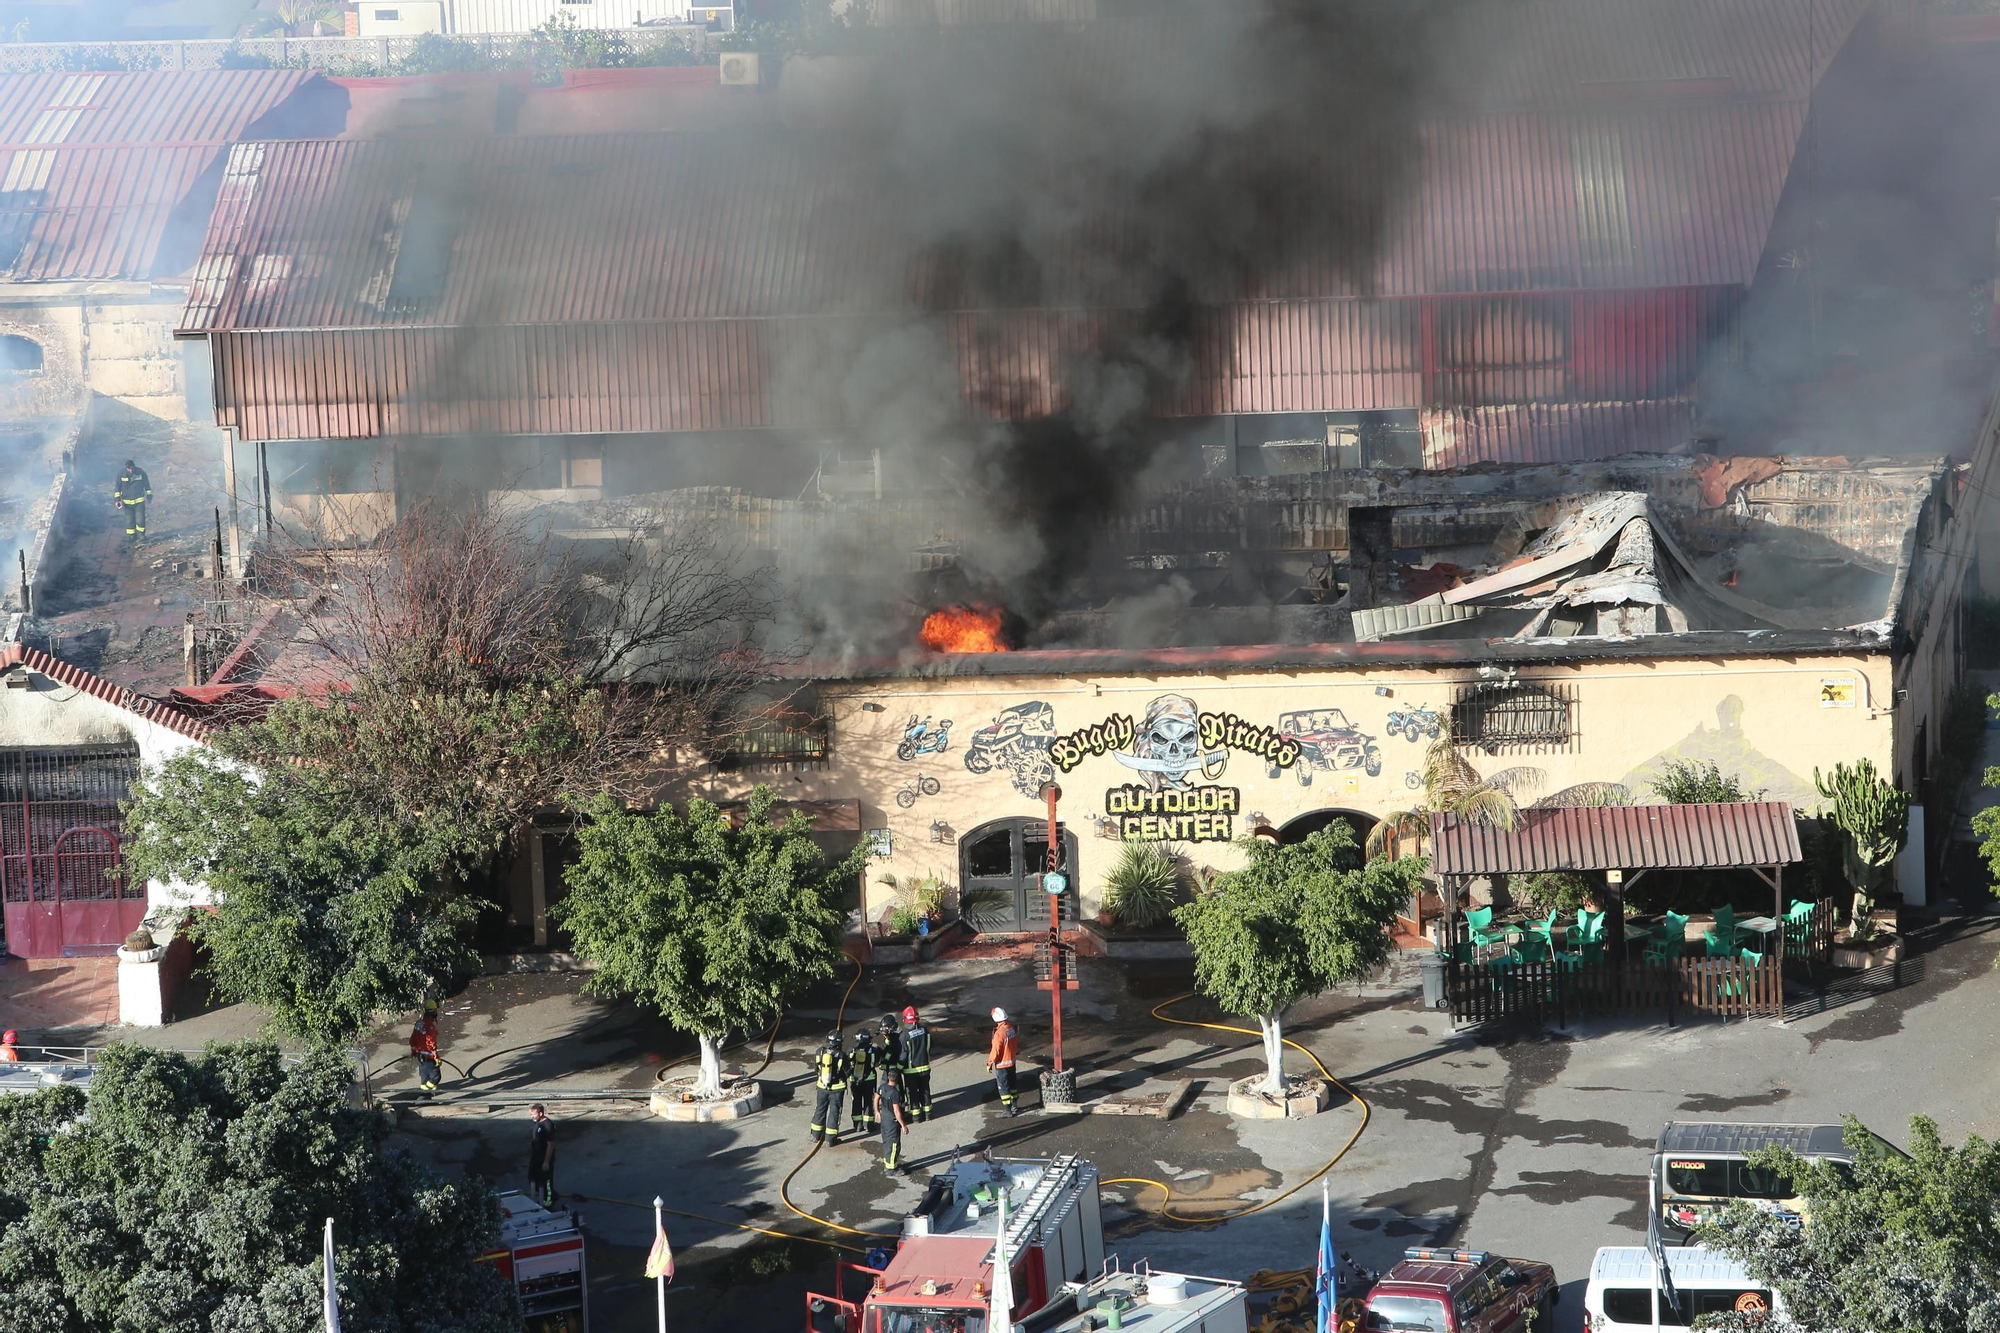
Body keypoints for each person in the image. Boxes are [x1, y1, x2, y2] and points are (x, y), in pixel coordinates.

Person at [810, 1030, 849, 1145]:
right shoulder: (841, 1055)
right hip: (837, 1089)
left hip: (822, 1087)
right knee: (834, 1112)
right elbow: (847, 1072)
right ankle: (830, 1139)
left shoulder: (819, 1052)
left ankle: (815, 1135)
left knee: (820, 1109)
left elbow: (816, 1069)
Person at [899, 1005, 933, 1124]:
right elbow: (930, 1046)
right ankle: (928, 1114)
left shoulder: (905, 1035)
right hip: (925, 1067)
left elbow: (903, 1054)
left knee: (912, 1093)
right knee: (925, 1091)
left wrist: (898, 1068)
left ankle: (915, 1116)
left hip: (911, 1071)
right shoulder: (925, 1031)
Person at [875, 1066, 909, 1174]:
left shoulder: (882, 1087)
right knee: (894, 1145)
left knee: (886, 1142)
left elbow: (876, 1099)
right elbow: (896, 1111)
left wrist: (877, 1112)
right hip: (892, 1122)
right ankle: (891, 1169)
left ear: (888, 1077)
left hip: (884, 1120)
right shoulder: (895, 1093)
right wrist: (903, 1125)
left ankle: (888, 1164)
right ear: (897, 1079)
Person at [986, 1007, 1019, 1116]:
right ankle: (1015, 1105)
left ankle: (1007, 1111)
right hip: (1012, 1063)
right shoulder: (1010, 1028)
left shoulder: (999, 1034)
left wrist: (989, 1063)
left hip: (1002, 1065)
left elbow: (995, 1051)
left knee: (1004, 1088)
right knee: (1013, 1084)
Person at [113, 459, 152, 542]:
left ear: (134, 466)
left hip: (139, 501)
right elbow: (117, 488)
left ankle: (141, 536)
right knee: (129, 520)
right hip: (127, 503)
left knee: (140, 520)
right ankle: (131, 536)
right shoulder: (121, 474)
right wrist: (117, 500)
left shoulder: (140, 472)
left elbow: (147, 485)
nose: (131, 470)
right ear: (126, 468)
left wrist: (149, 496)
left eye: (132, 468)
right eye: (129, 469)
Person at [850, 1028, 879, 1135]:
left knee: (856, 1101)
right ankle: (869, 1125)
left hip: (855, 1080)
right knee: (869, 1102)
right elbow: (878, 1061)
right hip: (869, 1080)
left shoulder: (852, 1050)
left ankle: (857, 1125)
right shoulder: (873, 1050)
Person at [528, 1103, 556, 1206]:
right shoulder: (538, 1123)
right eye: (531, 1114)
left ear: (541, 1113)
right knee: (532, 1178)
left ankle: (549, 1202)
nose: (532, 1116)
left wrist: (546, 1161)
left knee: (546, 1182)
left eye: (533, 1114)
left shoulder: (548, 1125)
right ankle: (543, 1197)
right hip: (536, 1157)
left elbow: (550, 1144)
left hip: (544, 1158)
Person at [410, 1001, 441, 1091]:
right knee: (435, 1077)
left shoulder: (419, 1023)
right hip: (429, 1057)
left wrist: (413, 1051)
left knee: (425, 1079)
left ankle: (425, 1095)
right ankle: (427, 1091)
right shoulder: (430, 1027)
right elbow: (431, 1043)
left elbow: (413, 1038)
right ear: (433, 1011)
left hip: (420, 1056)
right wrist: (436, 1057)